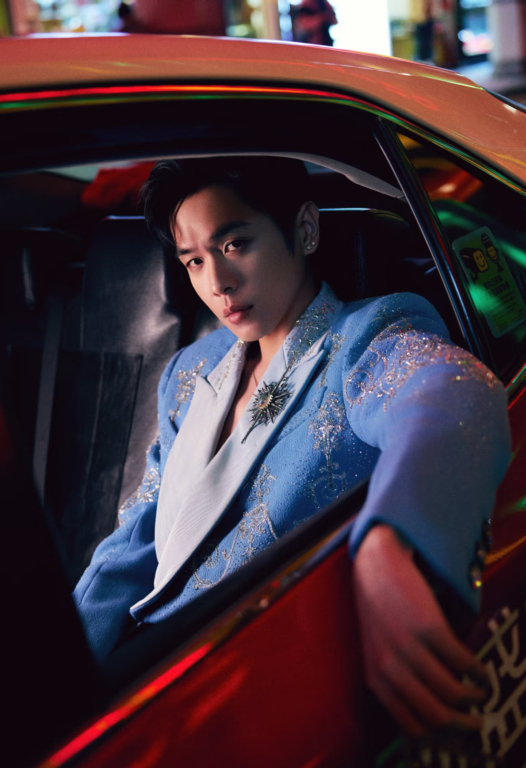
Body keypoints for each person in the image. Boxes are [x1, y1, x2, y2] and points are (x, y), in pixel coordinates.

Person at [74, 157, 510, 737]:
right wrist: (60, 671)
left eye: (234, 244)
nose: (217, 284)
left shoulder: (366, 338)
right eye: (195, 260)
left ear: (304, 229)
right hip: (140, 665)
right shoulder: (190, 370)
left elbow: (456, 393)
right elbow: (136, 538)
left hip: (244, 670)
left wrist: (391, 538)